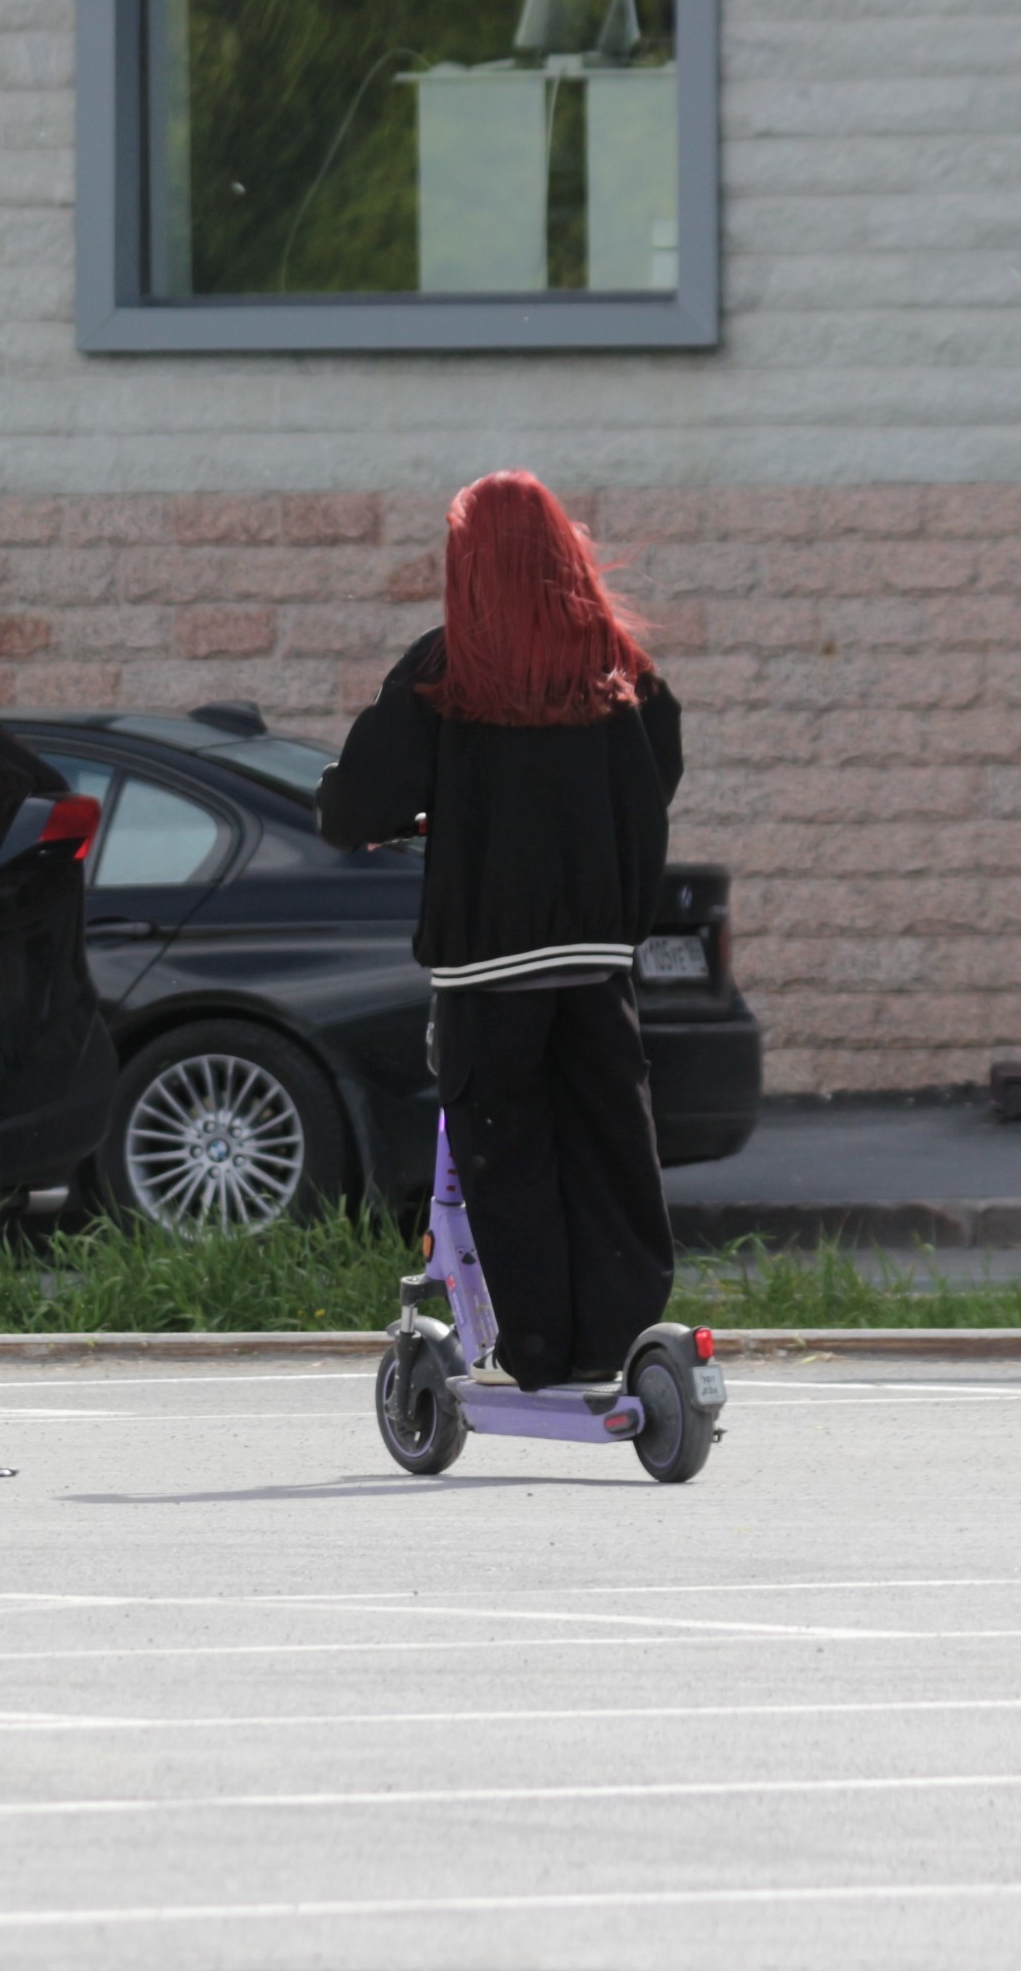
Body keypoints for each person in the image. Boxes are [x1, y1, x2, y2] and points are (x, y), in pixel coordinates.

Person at [317, 471, 681, 1391]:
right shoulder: (620, 668)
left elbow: (360, 801)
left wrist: (381, 808)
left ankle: (541, 1353)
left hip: (488, 967)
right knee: (610, 1148)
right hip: (598, 960)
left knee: (507, 1153)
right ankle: (626, 1345)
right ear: (565, 552)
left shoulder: (446, 670)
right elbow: (660, 771)